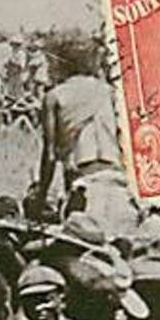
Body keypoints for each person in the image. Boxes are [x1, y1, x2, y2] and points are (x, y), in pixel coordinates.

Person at [35, 38, 119, 208]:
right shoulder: (109, 92)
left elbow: (50, 155)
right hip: (117, 176)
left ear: (62, 65)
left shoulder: (54, 96)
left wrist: (40, 197)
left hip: (81, 182)